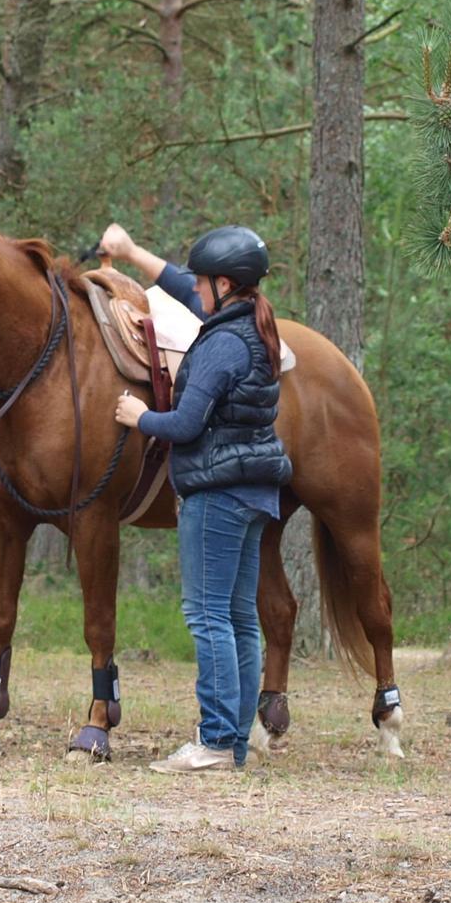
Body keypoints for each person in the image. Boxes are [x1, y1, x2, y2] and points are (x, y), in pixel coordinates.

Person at [101, 221, 291, 773]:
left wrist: (140, 416)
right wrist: (134, 252)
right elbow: (182, 286)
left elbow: (184, 424)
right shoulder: (252, 324)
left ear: (226, 285)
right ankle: (231, 745)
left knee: (206, 615)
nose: (196, 291)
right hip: (255, 492)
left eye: (206, 282)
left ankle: (212, 741)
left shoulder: (222, 346)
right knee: (238, 618)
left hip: (217, 494)